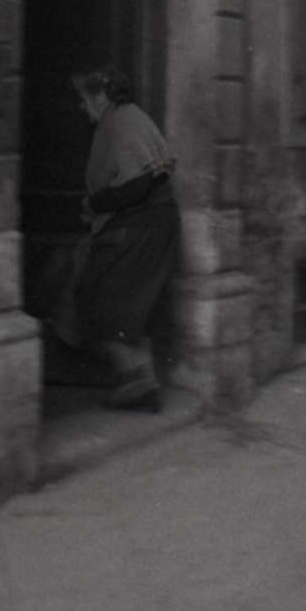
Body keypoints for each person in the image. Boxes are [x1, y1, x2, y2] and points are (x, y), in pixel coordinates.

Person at [59, 67, 180, 409]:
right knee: (129, 306)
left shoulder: (118, 123)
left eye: (84, 99)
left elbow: (137, 184)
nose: (82, 107)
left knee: (102, 299)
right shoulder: (131, 118)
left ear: (100, 97)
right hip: (152, 224)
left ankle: (139, 384)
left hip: (140, 227)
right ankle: (142, 384)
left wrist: (96, 203)